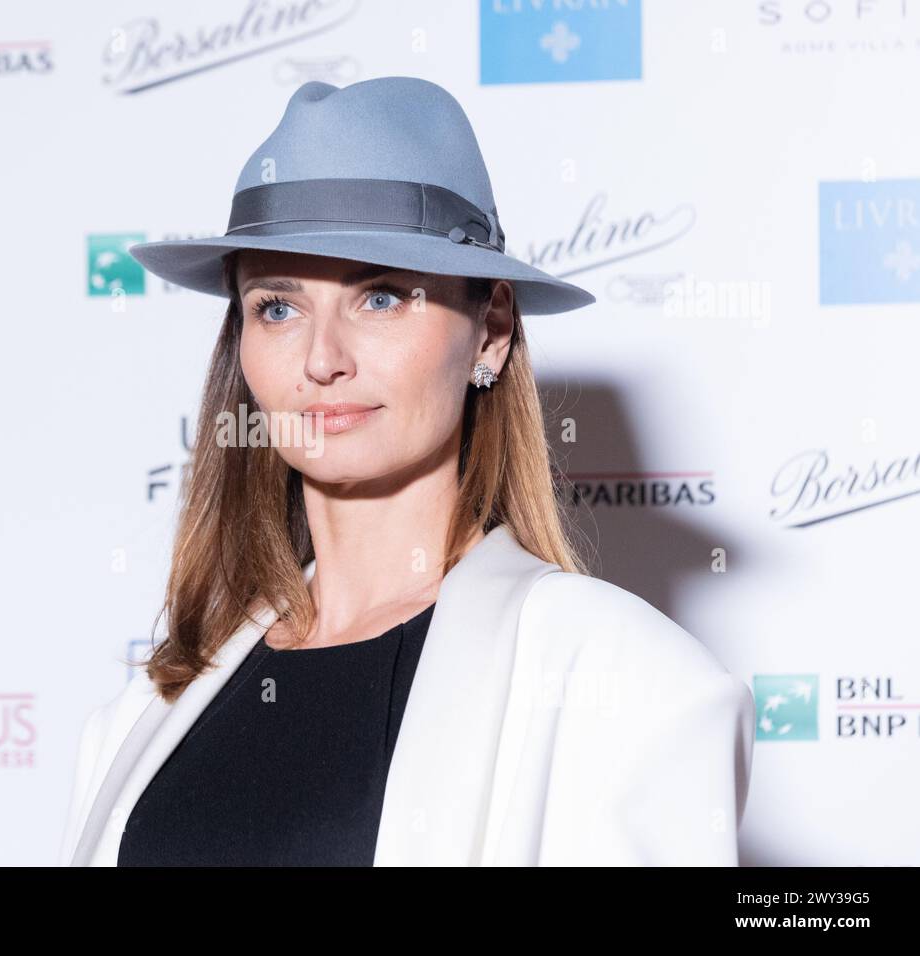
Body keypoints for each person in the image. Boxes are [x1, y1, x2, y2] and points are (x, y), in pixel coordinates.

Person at [59, 76, 755, 866]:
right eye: (277, 308)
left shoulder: (624, 683)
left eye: (382, 298)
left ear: (490, 332)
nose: (322, 360)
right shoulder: (148, 710)